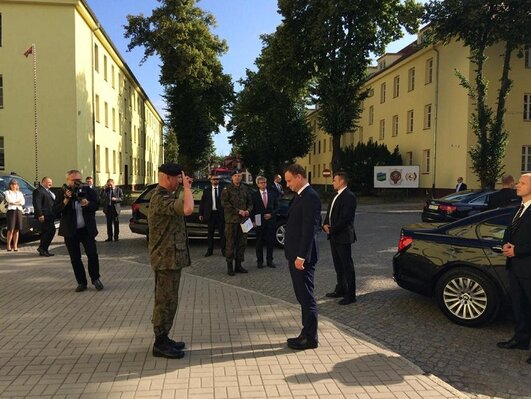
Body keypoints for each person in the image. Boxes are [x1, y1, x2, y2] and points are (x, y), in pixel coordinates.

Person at [148, 163, 193, 359]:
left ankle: (164, 337)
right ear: (167, 178)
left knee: (170, 300)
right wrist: (188, 189)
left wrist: (184, 188)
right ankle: (159, 342)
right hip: (165, 258)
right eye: (178, 179)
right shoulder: (160, 198)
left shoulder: (166, 195)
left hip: (171, 258)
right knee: (164, 301)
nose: (180, 182)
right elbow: (188, 208)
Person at [284, 164, 321, 350]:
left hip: (302, 258)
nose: (288, 184)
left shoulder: (310, 197)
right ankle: (305, 333)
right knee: (302, 296)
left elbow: (309, 229)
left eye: (290, 180)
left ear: (299, 177)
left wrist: (301, 256)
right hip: (295, 256)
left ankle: (311, 338)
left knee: (306, 297)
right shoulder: (300, 196)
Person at [497, 173, 531, 365]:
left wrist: (517, 250)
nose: (517, 185)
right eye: (518, 182)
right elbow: (510, 231)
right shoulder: (520, 208)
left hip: (528, 267)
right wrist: (505, 245)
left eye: (522, 183)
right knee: (519, 306)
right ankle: (521, 339)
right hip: (516, 267)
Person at [53, 170, 103, 292]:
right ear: (68, 181)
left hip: (86, 229)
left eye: (79, 180)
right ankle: (81, 282)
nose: (77, 183)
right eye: (74, 180)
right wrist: (66, 200)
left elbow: (96, 206)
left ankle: (95, 278)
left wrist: (87, 203)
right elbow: (55, 211)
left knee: (92, 254)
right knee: (75, 258)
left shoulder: (88, 191)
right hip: (70, 231)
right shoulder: (61, 193)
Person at [322, 171, 357, 305]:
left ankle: (351, 294)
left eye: (334, 180)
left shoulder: (349, 196)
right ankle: (341, 288)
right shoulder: (335, 195)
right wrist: (325, 224)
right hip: (333, 235)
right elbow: (329, 212)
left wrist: (332, 229)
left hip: (343, 236)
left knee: (347, 265)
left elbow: (346, 218)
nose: (333, 182)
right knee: (338, 265)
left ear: (342, 181)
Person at [221, 170, 253, 276]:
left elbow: (250, 202)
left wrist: (248, 210)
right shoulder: (227, 189)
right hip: (231, 221)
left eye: (239, 176)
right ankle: (230, 267)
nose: (237, 177)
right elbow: (225, 203)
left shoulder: (245, 188)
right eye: (235, 176)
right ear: (232, 177)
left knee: (242, 243)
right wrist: (238, 211)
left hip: (243, 221)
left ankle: (238, 265)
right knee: (230, 243)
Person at [251, 176, 279, 268]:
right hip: (259, 221)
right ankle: (260, 261)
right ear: (258, 184)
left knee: (270, 242)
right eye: (261, 183)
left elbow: (277, 207)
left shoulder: (272, 194)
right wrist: (253, 221)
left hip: (270, 221)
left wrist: (271, 214)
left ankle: (270, 261)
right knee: (259, 242)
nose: (264, 184)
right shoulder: (254, 195)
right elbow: (252, 209)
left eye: (265, 182)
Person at [199, 175, 225, 257]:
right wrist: (201, 214)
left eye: (217, 179)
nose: (215, 181)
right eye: (214, 179)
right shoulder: (207, 190)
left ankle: (224, 250)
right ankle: (210, 250)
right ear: (210, 180)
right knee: (210, 234)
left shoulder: (223, 190)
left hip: (220, 214)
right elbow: (202, 203)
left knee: (222, 234)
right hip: (210, 214)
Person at [33, 176, 56, 256]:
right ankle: (42, 248)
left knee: (51, 231)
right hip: (44, 216)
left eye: (51, 182)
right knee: (48, 232)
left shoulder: (49, 191)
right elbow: (37, 204)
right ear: (43, 182)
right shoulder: (38, 191)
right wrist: (40, 214)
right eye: (48, 182)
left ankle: (43, 249)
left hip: (50, 215)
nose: (51, 184)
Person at [4, 179, 24, 252]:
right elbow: (9, 200)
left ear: (17, 185)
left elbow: (23, 202)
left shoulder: (20, 193)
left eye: (15, 184)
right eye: (12, 184)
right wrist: (17, 202)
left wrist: (15, 203)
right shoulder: (7, 192)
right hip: (11, 211)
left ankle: (15, 245)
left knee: (17, 229)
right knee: (11, 229)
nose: (14, 186)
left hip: (18, 211)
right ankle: (8, 245)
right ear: (10, 185)